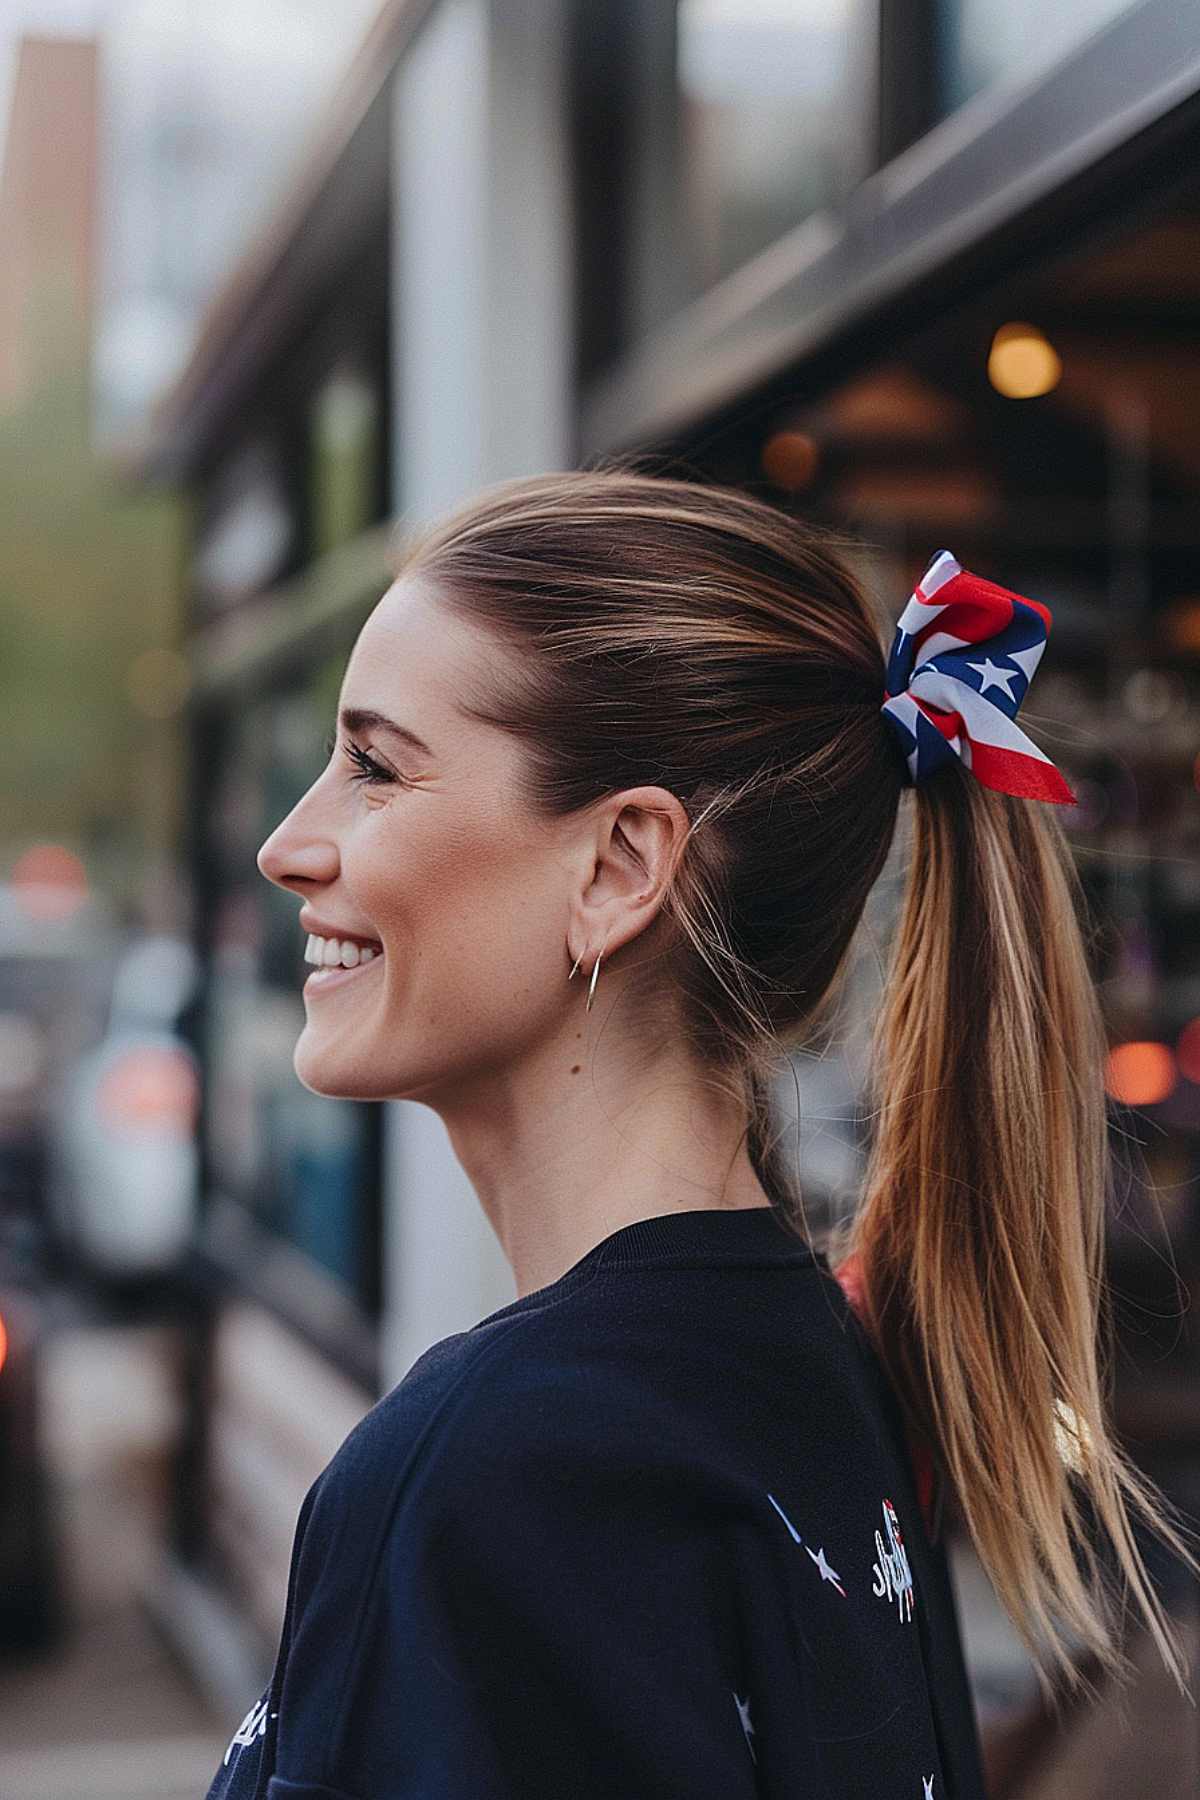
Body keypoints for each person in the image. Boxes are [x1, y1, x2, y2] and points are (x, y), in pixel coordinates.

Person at [206, 465, 1199, 1799]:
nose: (285, 844)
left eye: (375, 766)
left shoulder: (485, 1476)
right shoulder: (827, 1366)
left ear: (620, 866)